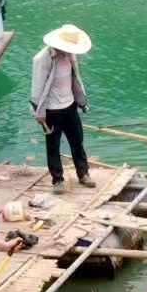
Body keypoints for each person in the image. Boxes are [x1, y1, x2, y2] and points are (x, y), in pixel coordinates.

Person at [31, 24, 94, 189]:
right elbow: (37, 88)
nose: (68, 51)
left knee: (77, 141)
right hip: (51, 109)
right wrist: (39, 112)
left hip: (70, 105)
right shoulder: (43, 59)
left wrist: (81, 101)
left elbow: (75, 79)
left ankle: (83, 173)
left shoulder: (71, 56)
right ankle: (58, 179)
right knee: (53, 145)